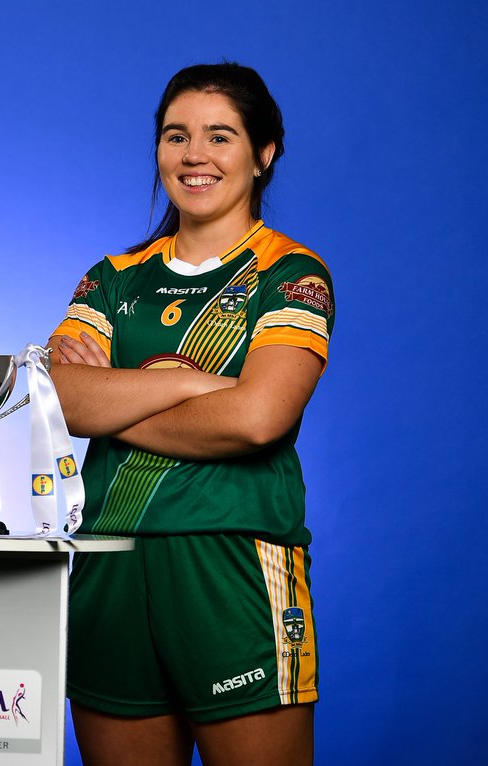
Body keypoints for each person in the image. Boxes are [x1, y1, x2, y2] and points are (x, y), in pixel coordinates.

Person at [48, 62, 334, 766]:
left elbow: (257, 421)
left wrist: (115, 399)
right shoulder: (112, 277)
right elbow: (58, 400)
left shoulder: (291, 274)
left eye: (220, 136)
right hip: (109, 563)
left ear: (264, 154)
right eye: (176, 136)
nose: (194, 155)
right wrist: (203, 387)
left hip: (232, 563)